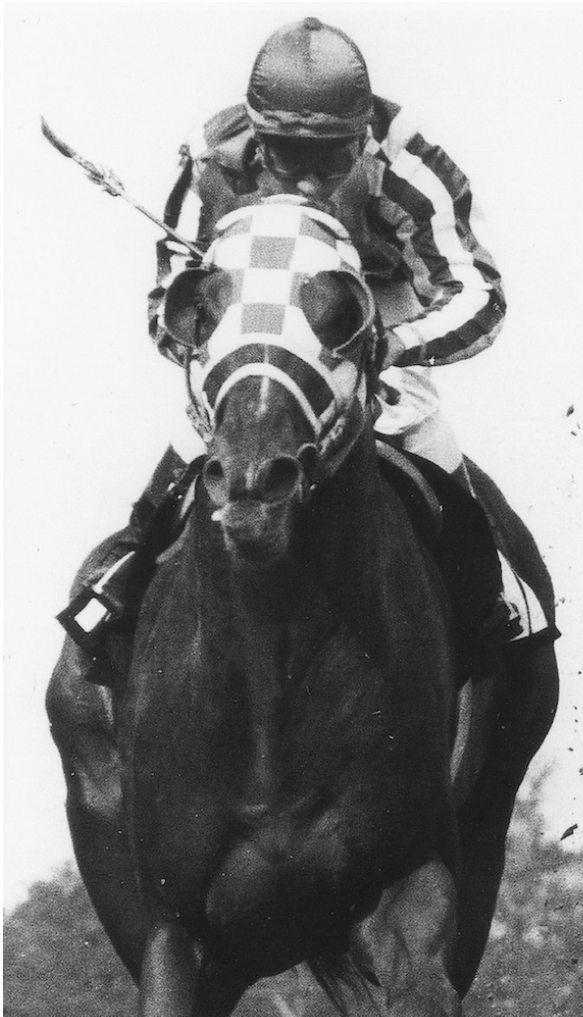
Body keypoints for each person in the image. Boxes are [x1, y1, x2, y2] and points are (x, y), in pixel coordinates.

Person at [62, 16, 549, 683]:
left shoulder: (409, 168)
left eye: (335, 156)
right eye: (292, 156)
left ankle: (494, 610)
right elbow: (165, 305)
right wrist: (231, 355)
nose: (315, 181)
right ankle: (118, 597)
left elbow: (480, 295)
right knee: (171, 486)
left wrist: (391, 344)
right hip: (256, 335)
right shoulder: (208, 163)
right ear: (259, 137)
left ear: (364, 134)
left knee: (447, 482)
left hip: (372, 319)